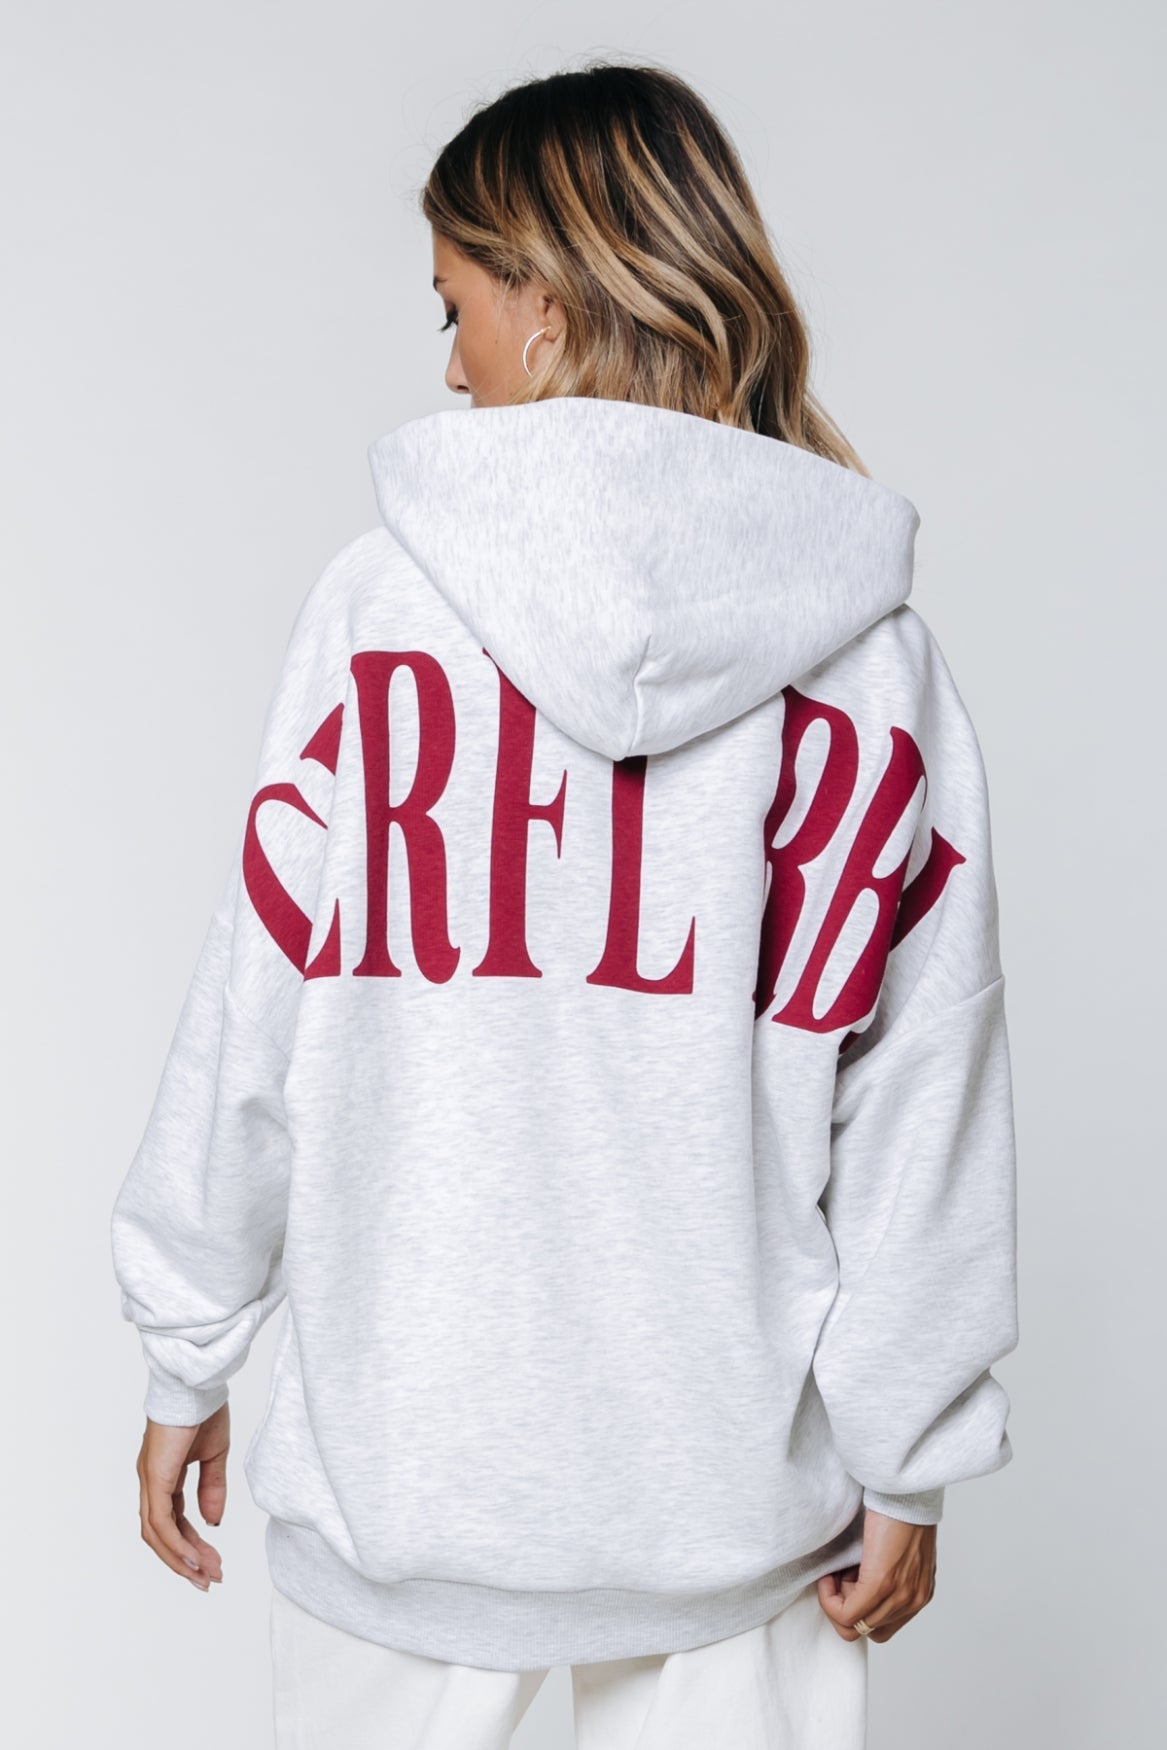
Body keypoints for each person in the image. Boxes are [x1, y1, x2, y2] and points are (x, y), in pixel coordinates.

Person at [110, 60, 1019, 1749]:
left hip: (409, 1493)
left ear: (546, 299)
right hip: (733, 1520)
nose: (450, 365)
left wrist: (188, 1344)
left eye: (454, 306)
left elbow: (258, 1012)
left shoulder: (380, 614)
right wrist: (911, 1446)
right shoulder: (874, 665)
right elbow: (923, 1106)